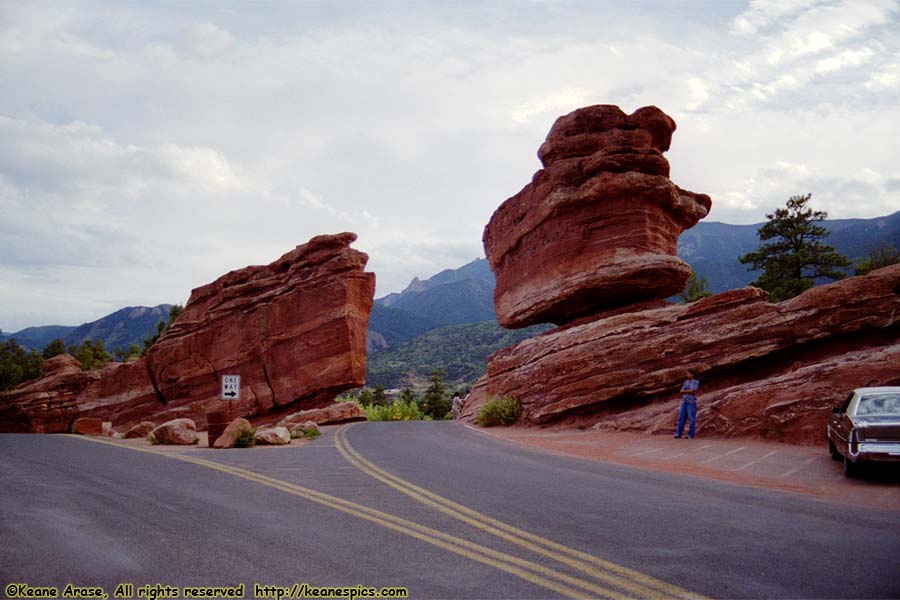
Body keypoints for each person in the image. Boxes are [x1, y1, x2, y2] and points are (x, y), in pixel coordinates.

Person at [674, 370, 700, 439]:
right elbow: (681, 391)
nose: (687, 375)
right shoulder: (685, 382)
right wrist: (686, 391)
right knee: (681, 418)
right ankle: (678, 434)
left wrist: (684, 391)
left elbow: (692, 391)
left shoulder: (696, 382)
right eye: (686, 374)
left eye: (688, 374)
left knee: (692, 419)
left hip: (691, 402)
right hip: (684, 402)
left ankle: (690, 435)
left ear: (692, 374)